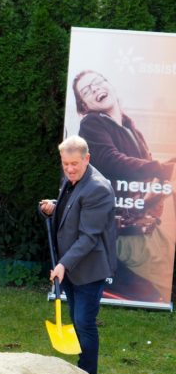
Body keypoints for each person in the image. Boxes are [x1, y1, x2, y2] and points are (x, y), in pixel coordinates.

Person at [72, 69, 176, 303]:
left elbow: (144, 170)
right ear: (84, 104)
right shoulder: (92, 124)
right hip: (124, 235)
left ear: (110, 84)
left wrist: (164, 172)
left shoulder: (129, 126)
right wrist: (160, 168)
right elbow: (112, 161)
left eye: (99, 82)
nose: (96, 89)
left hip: (146, 227)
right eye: (87, 90)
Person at [40, 135, 116, 374]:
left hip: (89, 268)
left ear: (87, 159)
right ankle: (82, 373)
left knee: (84, 322)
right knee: (76, 319)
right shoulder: (73, 180)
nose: (70, 169)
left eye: (75, 164)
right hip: (71, 267)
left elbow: (89, 236)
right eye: (65, 164)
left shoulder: (98, 189)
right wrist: (54, 204)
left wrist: (63, 264)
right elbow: (72, 206)